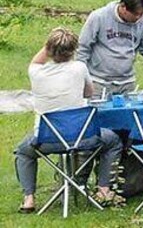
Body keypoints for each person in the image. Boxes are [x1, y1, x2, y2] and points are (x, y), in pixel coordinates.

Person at [14, 28, 123, 213]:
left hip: (46, 140)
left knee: (23, 152)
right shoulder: (79, 68)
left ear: (48, 49)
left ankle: (29, 198)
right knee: (112, 141)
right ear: (73, 50)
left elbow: (35, 60)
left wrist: (50, 45)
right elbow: (89, 93)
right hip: (83, 137)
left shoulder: (36, 72)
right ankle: (104, 189)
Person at [77, 0, 143, 97]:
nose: (138, 18)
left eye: (141, 14)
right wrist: (81, 77)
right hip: (98, 83)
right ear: (123, 7)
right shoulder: (98, 17)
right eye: (135, 14)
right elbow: (83, 48)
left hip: (127, 84)